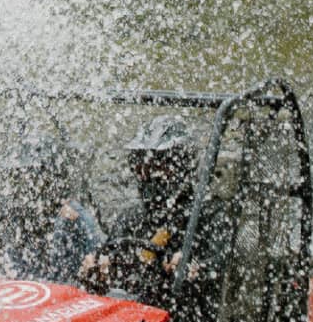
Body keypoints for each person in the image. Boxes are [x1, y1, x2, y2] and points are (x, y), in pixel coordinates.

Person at [94, 115, 230, 306]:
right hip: (129, 315)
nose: (147, 176)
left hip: (184, 319)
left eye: (158, 167)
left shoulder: (208, 216)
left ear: (181, 166)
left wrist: (194, 269)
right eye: (141, 167)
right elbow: (110, 258)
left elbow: (222, 267)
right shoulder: (131, 218)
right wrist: (97, 268)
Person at [0, 131, 106, 285]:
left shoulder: (73, 214)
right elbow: (9, 266)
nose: (27, 187)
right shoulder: (15, 218)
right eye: (20, 179)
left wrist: (93, 261)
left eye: (33, 178)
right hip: (30, 291)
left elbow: (98, 254)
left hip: (65, 291)